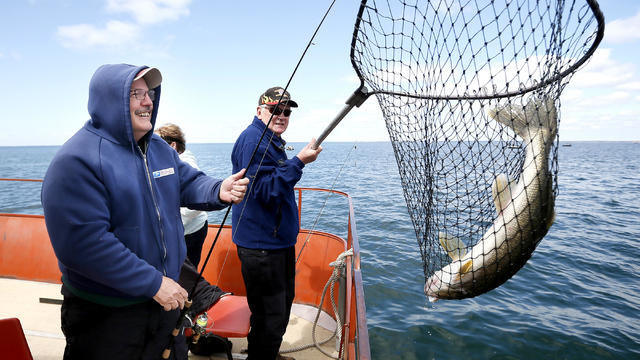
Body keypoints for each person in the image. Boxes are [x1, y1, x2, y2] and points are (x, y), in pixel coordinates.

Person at [41, 64, 249, 360]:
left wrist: (218, 190)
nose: (148, 101)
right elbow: (84, 245)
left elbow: (188, 181)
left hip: (163, 303)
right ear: (108, 100)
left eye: (149, 93)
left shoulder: (160, 150)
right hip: (107, 314)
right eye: (135, 94)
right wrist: (152, 283)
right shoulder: (76, 160)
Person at [231, 87, 323, 360]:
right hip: (262, 246)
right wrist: (299, 162)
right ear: (260, 111)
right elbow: (263, 191)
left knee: (276, 309)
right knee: (271, 313)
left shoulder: (269, 139)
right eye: (275, 110)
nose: (282, 115)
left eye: (286, 111)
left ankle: (264, 353)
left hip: (275, 241)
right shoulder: (253, 141)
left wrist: (295, 163)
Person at [156, 123, 209, 269]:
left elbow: (197, 202)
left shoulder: (186, 163)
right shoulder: (170, 162)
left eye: (158, 144)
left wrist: (172, 225)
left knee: (187, 275)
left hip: (190, 231)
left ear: (172, 145)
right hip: (183, 229)